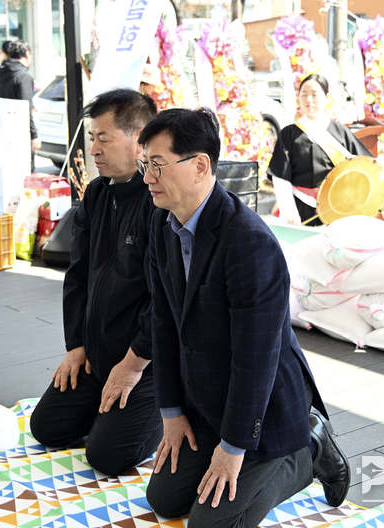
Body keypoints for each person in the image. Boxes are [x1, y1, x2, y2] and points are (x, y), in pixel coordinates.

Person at [139, 108, 350, 527]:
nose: (147, 177)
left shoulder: (248, 241)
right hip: (207, 400)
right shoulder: (164, 224)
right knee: (164, 499)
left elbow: (256, 359)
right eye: (144, 164)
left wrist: (233, 448)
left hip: (264, 409)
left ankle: (308, 448)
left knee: (210, 525)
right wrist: (172, 412)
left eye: (157, 165)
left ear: (200, 166)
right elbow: (162, 323)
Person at [28, 89, 162, 476]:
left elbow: (164, 301)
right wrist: (76, 346)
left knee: (106, 458)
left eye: (104, 138)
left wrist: (133, 365)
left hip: (146, 364)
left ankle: (160, 411)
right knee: (46, 428)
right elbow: (78, 275)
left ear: (139, 139)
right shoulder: (97, 193)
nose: (94, 150)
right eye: (92, 138)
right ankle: (107, 412)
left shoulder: (158, 201)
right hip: (98, 355)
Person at [269, 74, 373, 226]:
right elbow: (280, 176)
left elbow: (366, 165)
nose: (309, 100)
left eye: (315, 94)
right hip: (300, 208)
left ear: (326, 97)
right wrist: (289, 211)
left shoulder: (340, 132)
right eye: (304, 94)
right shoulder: (289, 134)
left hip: (336, 208)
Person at [0, 40, 41, 164]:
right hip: (20, 134)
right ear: (27, 54)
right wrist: (34, 136)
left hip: (3, 131)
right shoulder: (23, 76)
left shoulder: (2, 72)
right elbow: (25, 108)